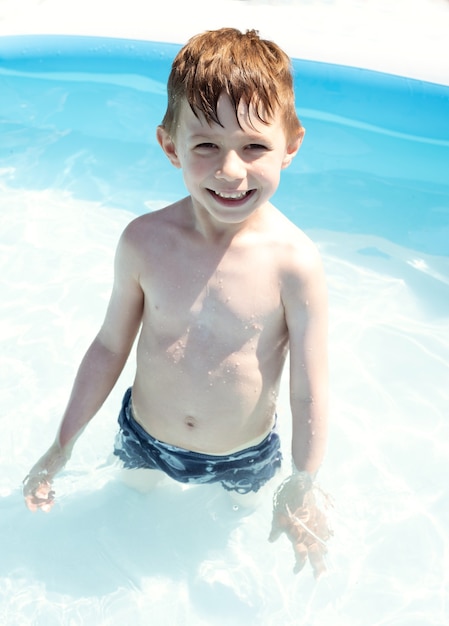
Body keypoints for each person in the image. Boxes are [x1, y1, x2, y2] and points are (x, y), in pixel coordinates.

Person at [23, 28, 331, 576]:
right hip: (144, 437)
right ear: (170, 147)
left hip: (244, 454)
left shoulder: (294, 265)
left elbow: (309, 391)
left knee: (236, 537)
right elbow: (108, 347)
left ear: (291, 146)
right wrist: (61, 445)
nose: (230, 171)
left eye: (254, 146)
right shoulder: (144, 242)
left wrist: (302, 485)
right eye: (206, 145)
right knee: (127, 510)